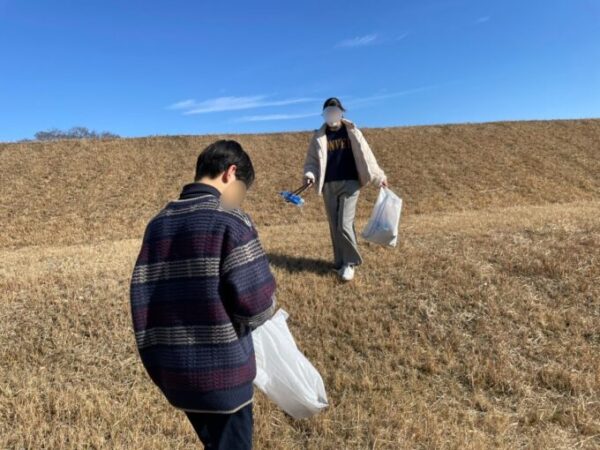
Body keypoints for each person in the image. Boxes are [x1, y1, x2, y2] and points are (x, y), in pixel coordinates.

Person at [129, 140, 277, 449]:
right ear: (230, 173)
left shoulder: (157, 224)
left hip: (174, 373)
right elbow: (257, 304)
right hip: (223, 375)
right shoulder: (230, 220)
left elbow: (142, 295)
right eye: (241, 190)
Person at [302, 97, 388, 282]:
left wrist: (379, 177)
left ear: (341, 113)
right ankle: (339, 260)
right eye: (327, 112)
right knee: (334, 225)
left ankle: (350, 263)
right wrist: (310, 175)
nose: (331, 115)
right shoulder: (319, 136)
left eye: (334, 111)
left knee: (344, 224)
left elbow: (367, 156)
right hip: (328, 185)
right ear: (324, 115)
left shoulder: (352, 131)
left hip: (350, 183)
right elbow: (312, 162)